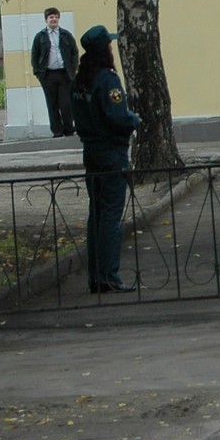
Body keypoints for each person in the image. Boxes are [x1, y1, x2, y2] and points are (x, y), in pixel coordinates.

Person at [71, 24, 140, 294]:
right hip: (112, 152)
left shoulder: (80, 80)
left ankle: (96, 277)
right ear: (105, 49)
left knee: (96, 214)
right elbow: (117, 117)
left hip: (91, 151)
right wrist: (133, 119)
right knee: (111, 216)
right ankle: (109, 276)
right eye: (110, 45)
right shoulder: (108, 80)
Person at [30, 8, 78, 138]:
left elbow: (74, 52)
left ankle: (69, 129)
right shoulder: (40, 37)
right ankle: (57, 131)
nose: (54, 19)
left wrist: (72, 70)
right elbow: (34, 56)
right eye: (51, 17)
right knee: (52, 105)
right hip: (48, 75)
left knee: (66, 104)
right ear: (46, 20)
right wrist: (38, 73)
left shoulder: (65, 35)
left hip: (64, 74)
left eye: (56, 17)